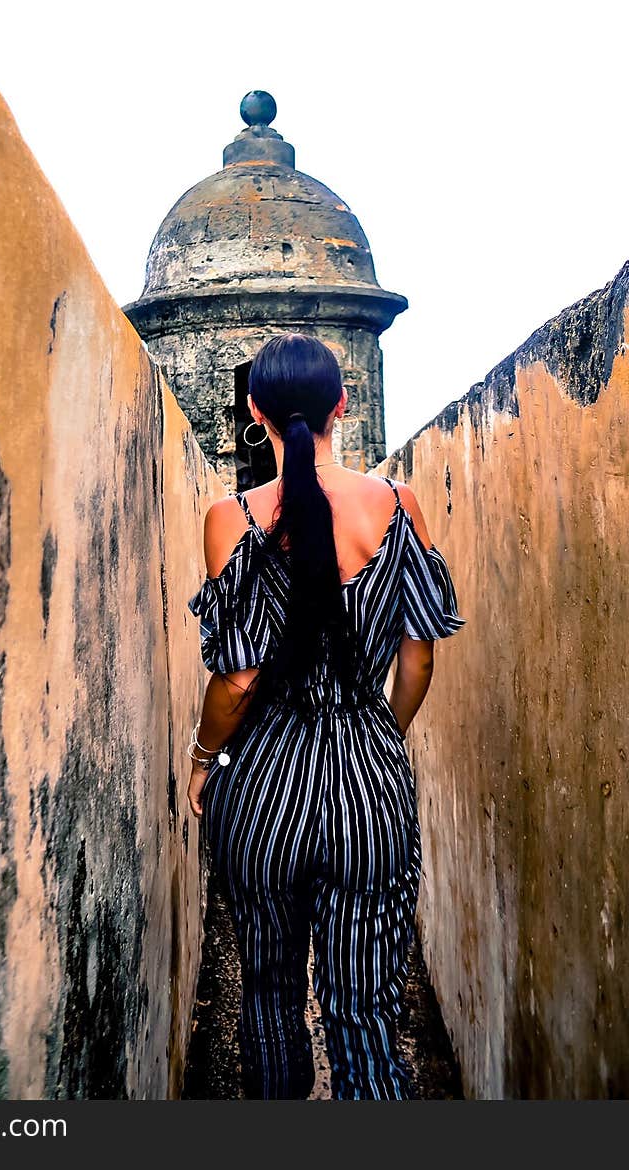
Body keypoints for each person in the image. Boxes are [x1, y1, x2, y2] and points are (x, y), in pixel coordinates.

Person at [185, 332, 466, 1100]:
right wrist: (378, 736)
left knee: (270, 999)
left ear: (255, 413)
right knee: (366, 1012)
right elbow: (419, 658)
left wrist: (203, 757)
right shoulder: (399, 506)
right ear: (344, 406)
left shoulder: (229, 517)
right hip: (369, 781)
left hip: (264, 783)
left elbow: (236, 682)